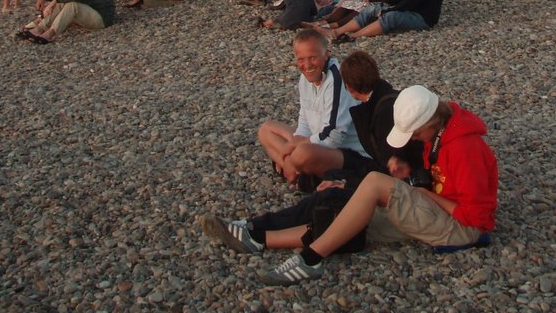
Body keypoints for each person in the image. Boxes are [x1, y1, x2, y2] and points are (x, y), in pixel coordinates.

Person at [251, 84, 497, 285]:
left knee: (376, 183)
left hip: (462, 230)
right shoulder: (441, 133)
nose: (413, 139)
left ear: (430, 123)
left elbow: (477, 218)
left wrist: (426, 196)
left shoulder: (464, 148)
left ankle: (310, 259)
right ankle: (261, 239)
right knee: (348, 218)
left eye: (414, 134)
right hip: (440, 212)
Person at [198, 51, 429, 257]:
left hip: (385, 189)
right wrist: (343, 178)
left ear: (349, 88)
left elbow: (382, 170)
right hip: (382, 185)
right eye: (301, 59)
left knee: (326, 203)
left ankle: (253, 230)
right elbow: (387, 169)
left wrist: (345, 180)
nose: (307, 65)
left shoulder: (383, 113)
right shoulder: (384, 106)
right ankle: (252, 231)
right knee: (325, 199)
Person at [257, 29, 369, 188]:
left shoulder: (338, 80)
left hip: (347, 151)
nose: (307, 65)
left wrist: (297, 146)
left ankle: (298, 171)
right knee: (265, 130)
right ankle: (295, 169)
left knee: (302, 154)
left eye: (313, 58)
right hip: (318, 141)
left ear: (326, 54)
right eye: (301, 59)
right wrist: (294, 147)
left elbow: (333, 137)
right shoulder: (305, 79)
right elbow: (304, 122)